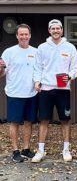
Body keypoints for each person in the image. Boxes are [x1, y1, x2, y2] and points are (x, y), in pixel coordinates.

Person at [32, 19, 77, 163]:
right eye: (53, 29)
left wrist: (70, 76)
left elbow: (75, 67)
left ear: (62, 30)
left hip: (63, 89)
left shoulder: (70, 47)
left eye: (58, 28)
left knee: (65, 120)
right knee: (44, 120)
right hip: (46, 88)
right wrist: (37, 81)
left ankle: (66, 150)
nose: (56, 31)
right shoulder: (42, 47)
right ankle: (40, 150)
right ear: (49, 31)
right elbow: (37, 67)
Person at [0, 24, 37, 162]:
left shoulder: (36, 52)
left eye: (26, 34)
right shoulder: (9, 52)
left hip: (32, 93)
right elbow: (2, 73)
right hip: (14, 93)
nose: (24, 37)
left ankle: (26, 149)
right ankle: (15, 151)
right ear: (17, 36)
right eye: (21, 34)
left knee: (29, 122)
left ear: (30, 35)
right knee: (14, 122)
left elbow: (38, 71)